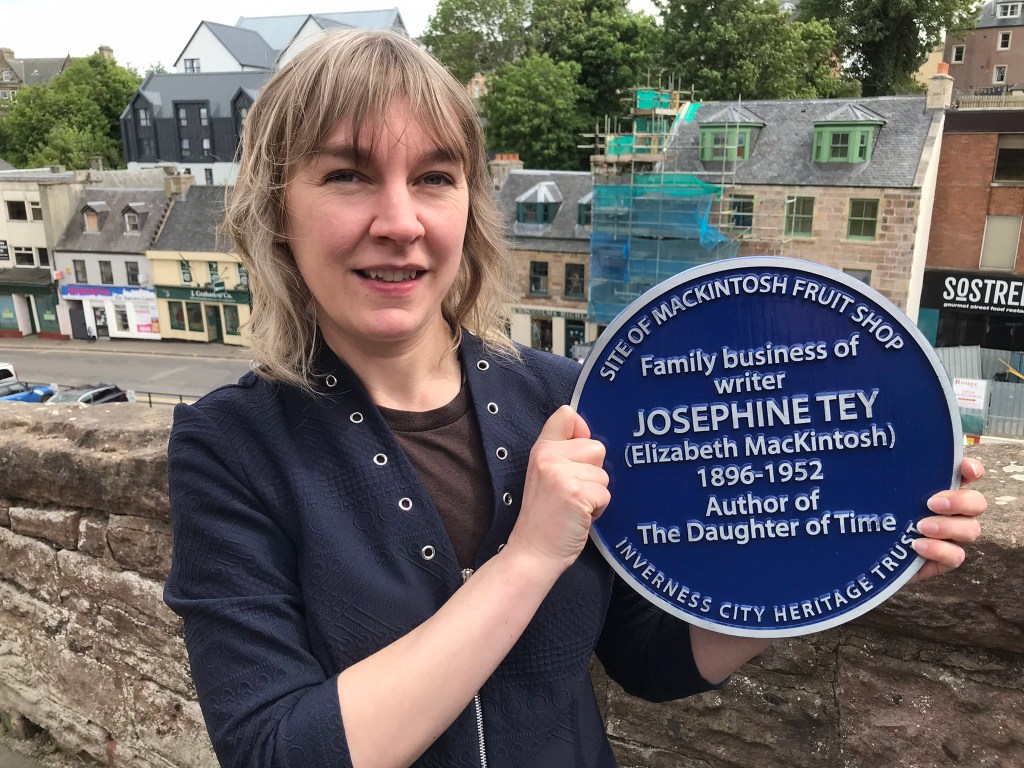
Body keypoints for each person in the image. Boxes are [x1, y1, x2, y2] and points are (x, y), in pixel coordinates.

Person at [163, 29, 987, 768]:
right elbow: (276, 749)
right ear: (278, 210)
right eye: (347, 175)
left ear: (469, 208)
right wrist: (527, 560)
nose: (401, 221)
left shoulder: (569, 401)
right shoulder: (231, 447)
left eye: (435, 177)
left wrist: (842, 563)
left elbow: (650, 658)